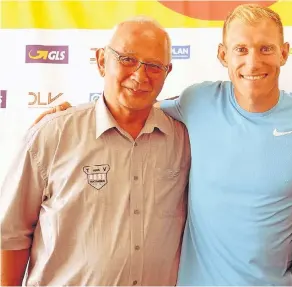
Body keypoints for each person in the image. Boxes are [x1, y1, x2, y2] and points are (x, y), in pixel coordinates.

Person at [30, 4, 292, 285]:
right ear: (223, 56)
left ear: (285, 53)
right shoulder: (196, 101)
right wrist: (71, 118)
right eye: (240, 49)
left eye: (264, 49)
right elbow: (131, 107)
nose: (252, 61)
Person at [0, 17, 190, 286]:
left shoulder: (185, 138)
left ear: (167, 72)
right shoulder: (53, 134)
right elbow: (11, 234)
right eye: (127, 59)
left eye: (153, 66)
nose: (139, 75)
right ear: (102, 61)